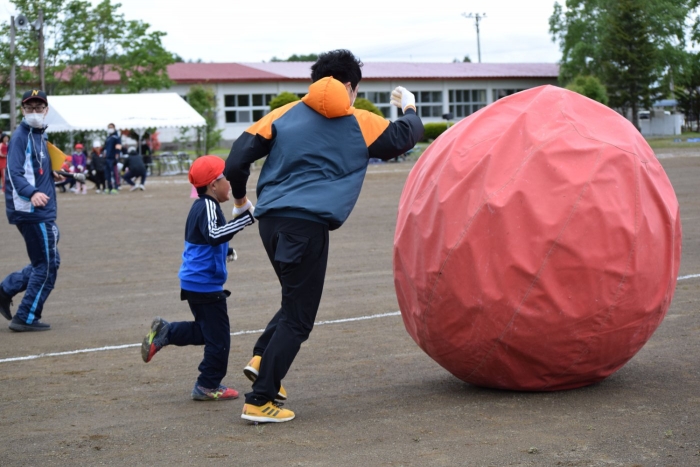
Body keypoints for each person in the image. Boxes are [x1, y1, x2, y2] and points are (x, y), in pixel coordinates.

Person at [225, 49, 424, 423]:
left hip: (271, 222)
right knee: (299, 318)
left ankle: (262, 357)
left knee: (294, 298)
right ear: (351, 87)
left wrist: (239, 201)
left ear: (315, 81)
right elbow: (406, 136)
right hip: (307, 226)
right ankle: (260, 399)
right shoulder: (359, 120)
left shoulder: (283, 114)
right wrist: (410, 107)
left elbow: (236, 160)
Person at [141, 155, 255, 401]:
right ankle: (207, 384)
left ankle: (167, 332)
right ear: (213, 184)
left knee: (208, 332)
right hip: (204, 285)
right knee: (219, 340)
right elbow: (213, 235)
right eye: (226, 178)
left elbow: (203, 240)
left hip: (197, 282)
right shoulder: (207, 206)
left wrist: (226, 251)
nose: (230, 184)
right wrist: (245, 220)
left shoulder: (202, 206)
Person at [0, 89, 64, 331]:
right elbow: (14, 172)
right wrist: (32, 193)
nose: (34, 112)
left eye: (39, 107)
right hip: (31, 210)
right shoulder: (21, 136)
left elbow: (35, 167)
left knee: (47, 261)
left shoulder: (39, 135)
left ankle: (6, 289)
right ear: (22, 110)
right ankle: (25, 317)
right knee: (46, 266)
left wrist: (51, 173)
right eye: (30, 108)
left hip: (38, 210)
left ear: (46, 110)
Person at [103, 123, 122, 194]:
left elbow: (118, 148)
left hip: (112, 158)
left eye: (111, 127)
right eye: (109, 127)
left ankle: (115, 187)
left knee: (114, 174)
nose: (110, 129)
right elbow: (105, 148)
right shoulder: (108, 138)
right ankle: (109, 187)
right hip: (107, 158)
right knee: (107, 174)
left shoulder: (116, 138)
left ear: (114, 128)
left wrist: (116, 158)